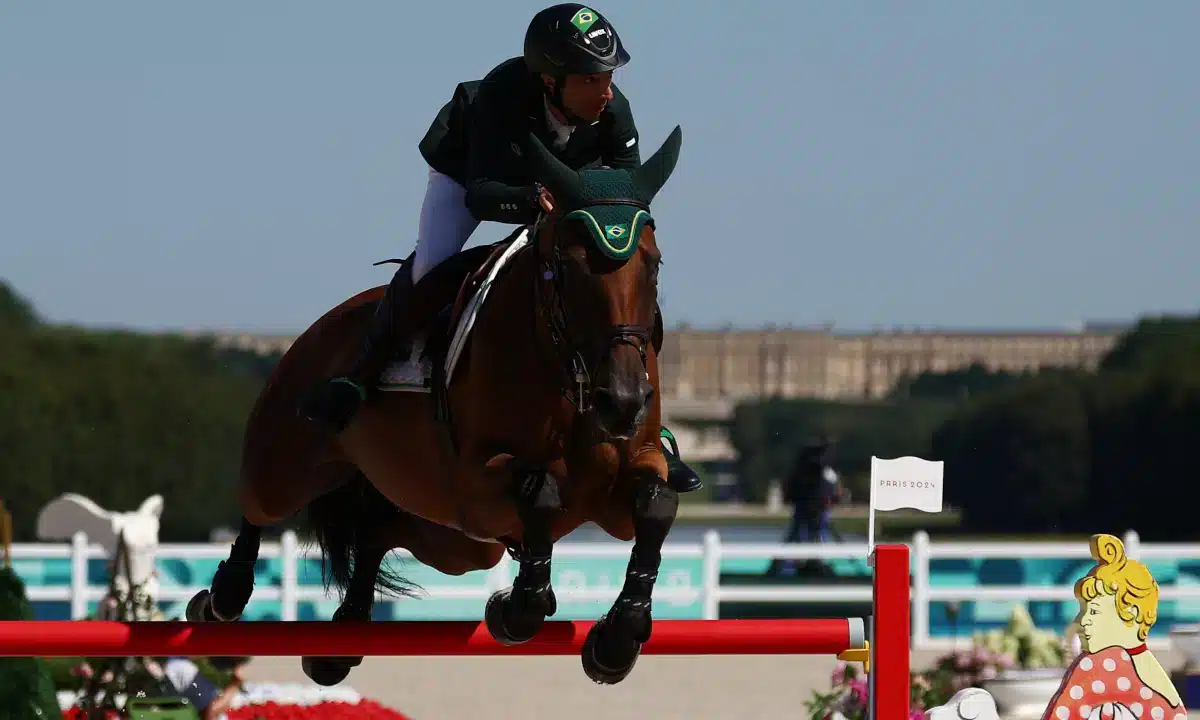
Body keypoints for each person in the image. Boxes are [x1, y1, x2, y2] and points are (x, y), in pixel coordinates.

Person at [298, 4, 702, 493]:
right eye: (592, 79)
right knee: (432, 265)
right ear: (551, 81)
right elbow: (482, 193)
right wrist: (531, 200)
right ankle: (360, 377)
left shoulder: (614, 112)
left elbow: (625, 193)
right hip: (473, 174)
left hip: (564, 194)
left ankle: (653, 433)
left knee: (626, 286)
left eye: (608, 77)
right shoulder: (502, 96)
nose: (607, 91)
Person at [1043, 534, 1184, 720]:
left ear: (1131, 613)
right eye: (1083, 611)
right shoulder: (1103, 665)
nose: (1082, 620)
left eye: (1093, 612)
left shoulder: (1097, 667)